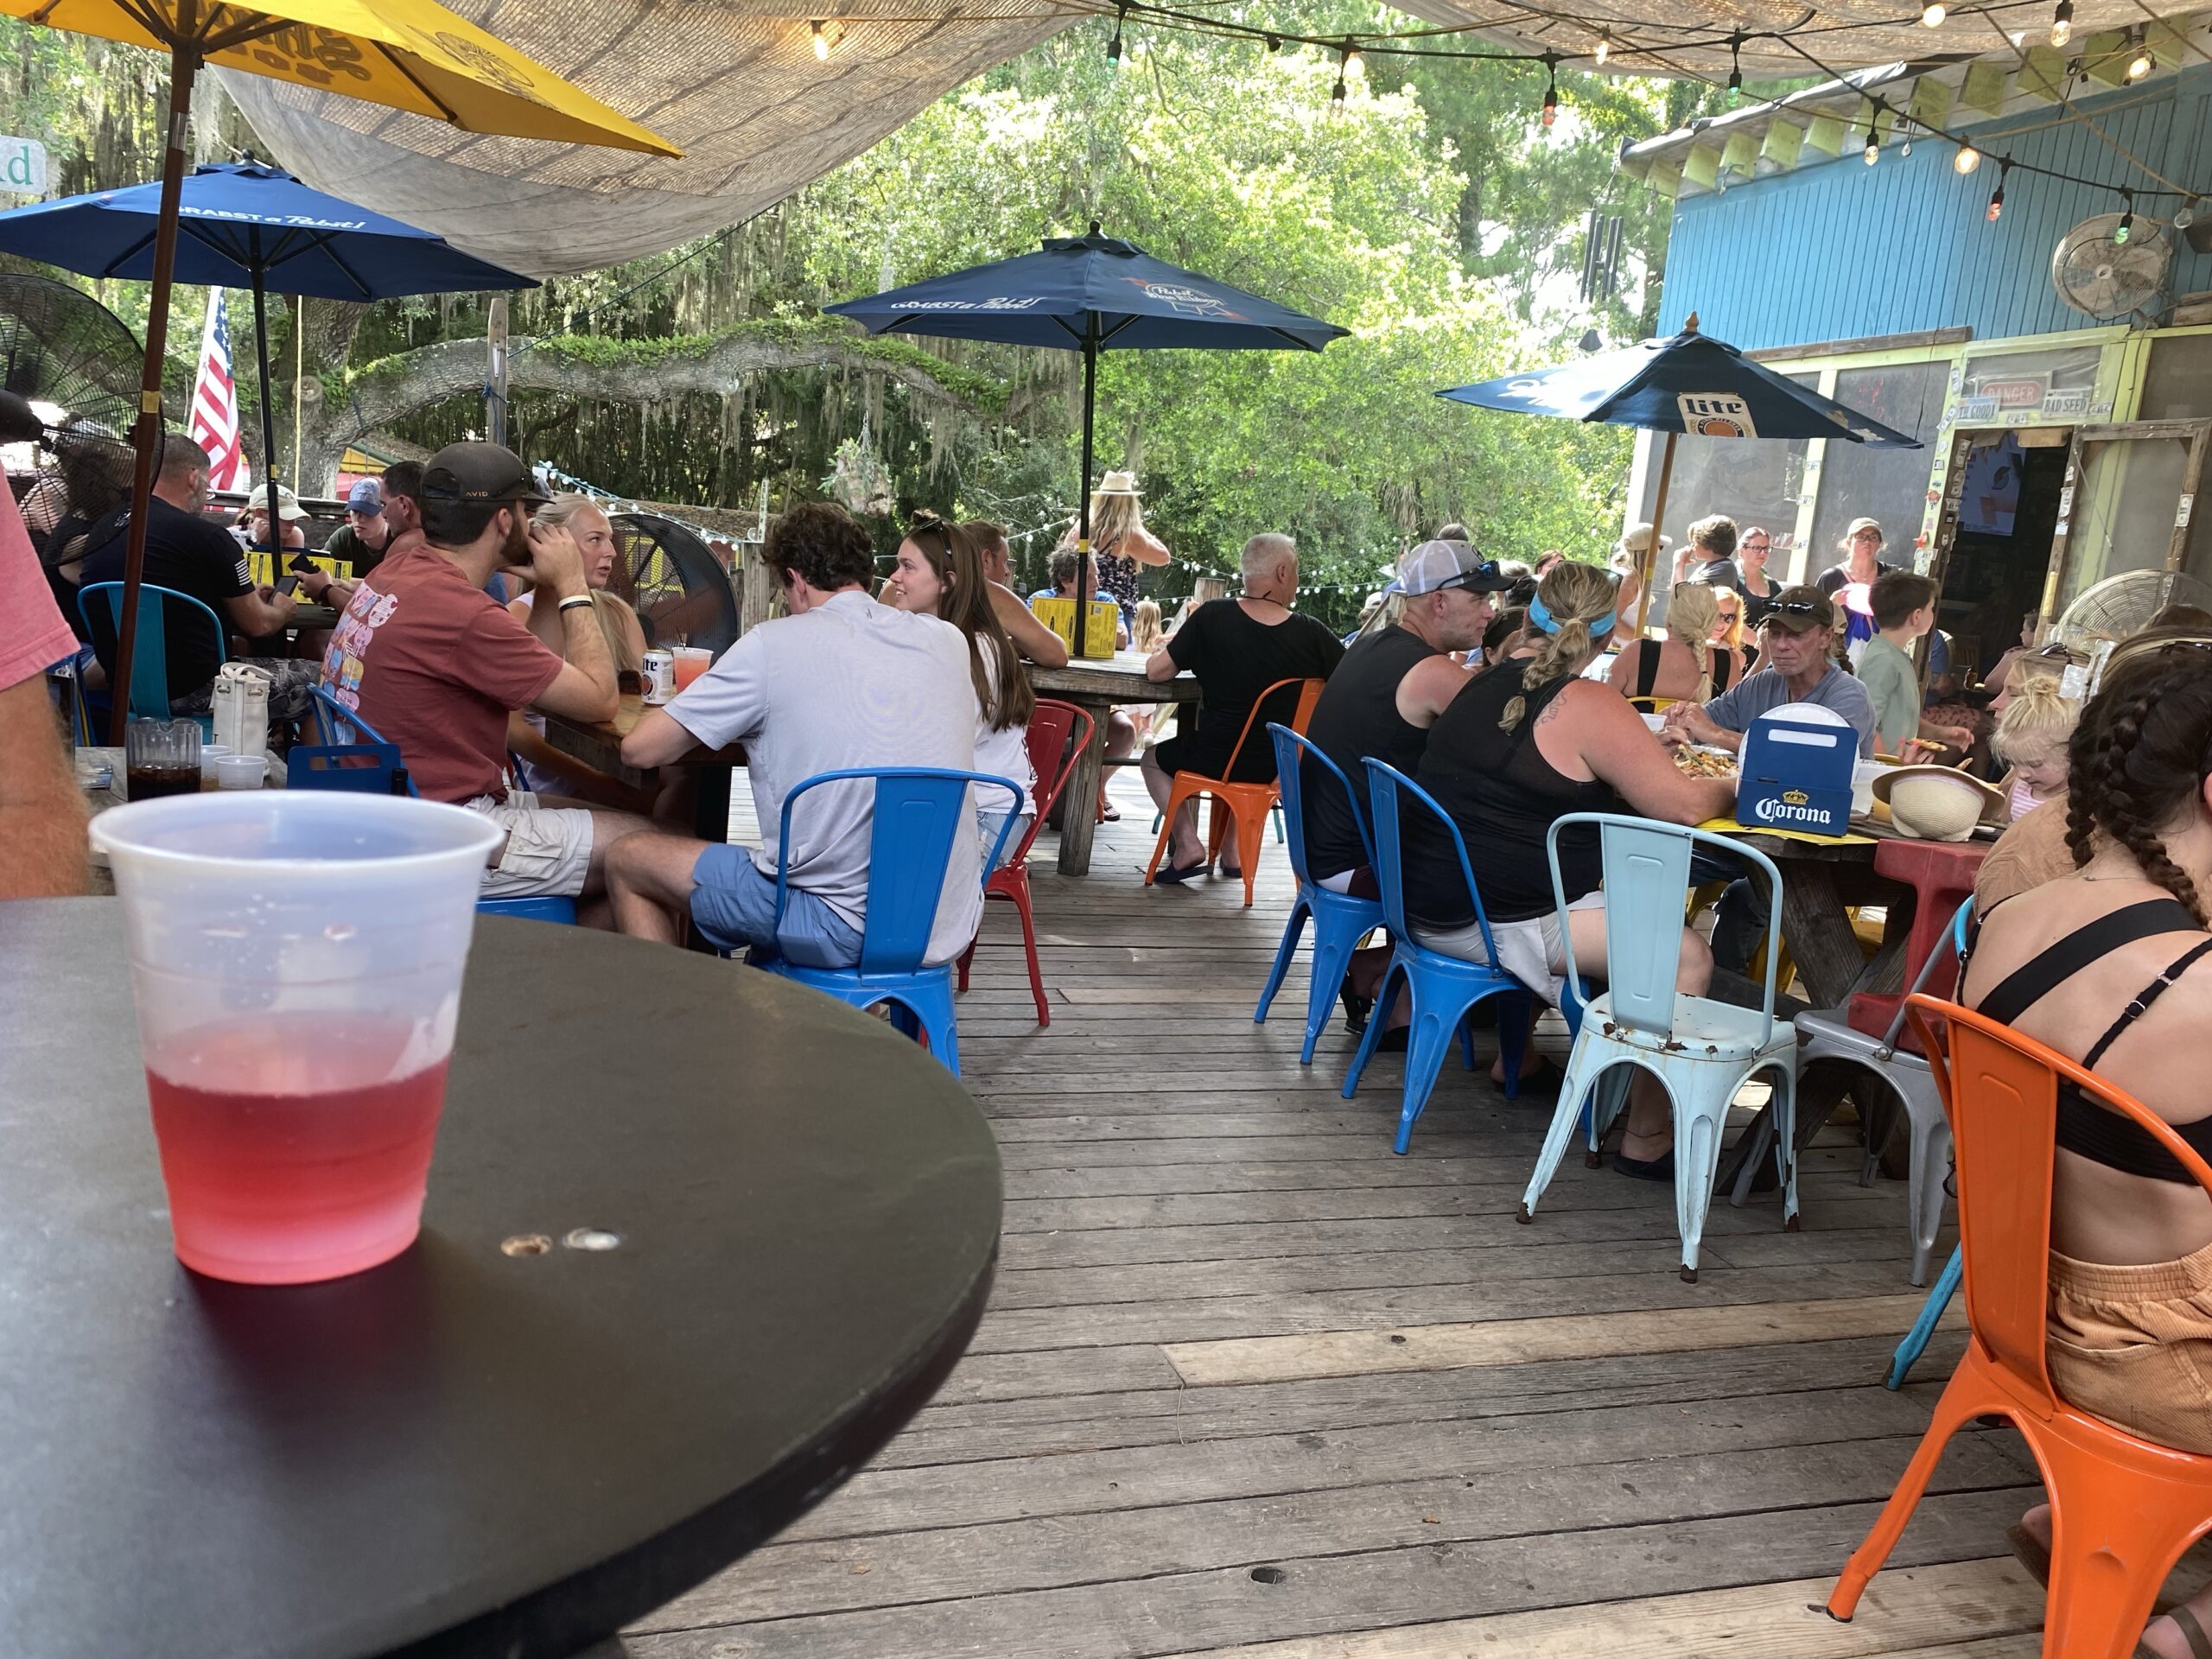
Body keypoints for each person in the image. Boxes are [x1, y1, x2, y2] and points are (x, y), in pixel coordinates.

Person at [1963, 636, 2212, 1659]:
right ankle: (2190, 1630)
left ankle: (2087, 1520)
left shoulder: (2014, 919)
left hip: (2029, 1314)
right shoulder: (2189, 979)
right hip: (2162, 1362)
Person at [1402, 561, 1739, 1175]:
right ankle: (1647, 1138)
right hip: (1489, 920)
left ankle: (1532, 1059)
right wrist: (1735, 785)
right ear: (1612, 635)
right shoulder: (1588, 699)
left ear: (1530, 615)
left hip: (1429, 898)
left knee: (1621, 906)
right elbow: (1686, 806)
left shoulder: (1480, 678)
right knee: (1687, 954)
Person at [606, 501, 982, 964]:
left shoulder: (772, 644)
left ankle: (671, 1033)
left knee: (627, 857)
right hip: (944, 919)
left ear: (796, 580)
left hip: (835, 923)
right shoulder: (947, 640)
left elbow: (640, 751)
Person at [321, 442, 652, 918]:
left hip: (386, 811)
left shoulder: (397, 569)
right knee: (660, 844)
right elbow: (600, 700)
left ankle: (561, 974)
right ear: (502, 521)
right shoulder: (465, 615)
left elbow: (530, 678)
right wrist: (572, 586)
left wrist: (543, 589)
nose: (533, 526)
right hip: (446, 834)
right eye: (525, 511)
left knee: (627, 835)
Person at [1300, 540, 1512, 1044]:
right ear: (1439, 601)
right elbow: (1516, 740)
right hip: (1359, 862)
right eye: (1479, 598)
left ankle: (1379, 972)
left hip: (1324, 844)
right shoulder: (1433, 670)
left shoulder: (1373, 643)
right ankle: (1411, 998)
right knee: (1513, 883)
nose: (1490, 611)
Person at [1663, 586, 1878, 975]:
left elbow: (1811, 765)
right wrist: (1682, 722)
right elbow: (1705, 720)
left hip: (1817, 849)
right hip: (1747, 834)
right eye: (1774, 633)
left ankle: (1726, 994)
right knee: (1657, 863)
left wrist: (1713, 734)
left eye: (1795, 634)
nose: (1781, 645)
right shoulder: (1763, 683)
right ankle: (1675, 971)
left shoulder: (1848, 695)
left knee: (1745, 899)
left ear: (1825, 638)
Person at [1142, 532, 1344, 883]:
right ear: (1282, 573)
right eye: (1296, 569)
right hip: (1279, 765)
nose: (1297, 578)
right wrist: (1299, 756)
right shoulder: (1314, 634)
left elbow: (1157, 673)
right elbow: (1347, 689)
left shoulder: (1212, 617)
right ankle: (1233, 855)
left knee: (1151, 760)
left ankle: (1189, 844)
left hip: (1217, 756)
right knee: (1250, 747)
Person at [75, 435, 317, 723]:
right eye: (207, 481)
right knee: (327, 681)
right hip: (203, 690)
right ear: (193, 478)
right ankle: (309, 768)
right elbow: (260, 624)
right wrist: (283, 608)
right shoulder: (208, 537)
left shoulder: (102, 530)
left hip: (123, 688)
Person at [883, 512, 1035, 869]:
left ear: (947, 582)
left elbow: (944, 746)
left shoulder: (979, 649)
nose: (894, 577)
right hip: (945, 803)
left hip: (987, 814)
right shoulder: (926, 636)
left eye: (908, 567)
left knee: (884, 875)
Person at [503, 493, 649, 802]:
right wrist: (588, 777)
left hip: (619, 761)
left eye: (609, 540)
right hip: (551, 775)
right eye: (595, 540)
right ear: (556, 544)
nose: (610, 551)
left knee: (687, 784)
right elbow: (511, 729)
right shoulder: (519, 615)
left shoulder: (618, 614)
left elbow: (646, 698)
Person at [1, 477, 86, 898]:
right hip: (72, 662)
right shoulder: (207, 541)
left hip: (81, 661)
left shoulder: (74, 533)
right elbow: (259, 623)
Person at [1858, 570, 1976, 757]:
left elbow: (1901, 718)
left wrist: (1941, 733)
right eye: (1931, 608)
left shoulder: (1895, 655)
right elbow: (1867, 725)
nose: (1933, 613)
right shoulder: (1882, 659)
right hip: (1879, 774)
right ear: (1917, 615)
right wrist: (1884, 768)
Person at [302, 461, 426, 614]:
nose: (385, 514)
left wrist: (326, 590)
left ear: (405, 505)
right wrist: (348, 585)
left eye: (383, 505)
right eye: (354, 511)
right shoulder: (440, 540)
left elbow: (375, 614)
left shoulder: (408, 545)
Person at [1056, 470, 1168, 621]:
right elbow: (1163, 557)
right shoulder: (1126, 535)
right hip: (1115, 612)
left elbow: (1063, 559)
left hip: (1079, 604)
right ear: (1129, 502)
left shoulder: (1082, 526)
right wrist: (1139, 526)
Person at [1608, 582, 1739, 704]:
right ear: (1710, 623)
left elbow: (1603, 703)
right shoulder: (1729, 663)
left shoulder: (1638, 652)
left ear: (1670, 618)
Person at [968, 519, 1069, 671]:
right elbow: (1057, 654)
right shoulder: (988, 593)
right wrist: (1018, 646)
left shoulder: (937, 587)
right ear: (986, 559)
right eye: (1004, 561)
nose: (1007, 571)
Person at [1993, 674, 2078, 823]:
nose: (2021, 774)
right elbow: (2004, 829)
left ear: (2071, 752)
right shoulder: (2020, 789)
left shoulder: (2078, 798)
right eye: (2013, 763)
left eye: (2035, 764)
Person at [242, 482, 309, 555]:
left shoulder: (293, 535)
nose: (292, 523)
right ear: (259, 513)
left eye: (294, 516)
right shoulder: (235, 535)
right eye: (285, 516)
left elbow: (289, 566)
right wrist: (254, 538)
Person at [1683, 515, 1738, 588]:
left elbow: (1681, 595)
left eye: (1694, 542)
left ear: (1706, 541)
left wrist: (1679, 564)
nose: (1692, 546)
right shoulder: (1709, 566)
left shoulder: (1724, 569)